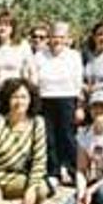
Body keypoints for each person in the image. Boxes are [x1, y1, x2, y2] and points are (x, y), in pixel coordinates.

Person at [35, 21, 84, 188]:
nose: (57, 40)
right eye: (54, 36)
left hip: (67, 98)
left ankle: (74, 171)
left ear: (66, 39)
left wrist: (79, 106)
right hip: (45, 98)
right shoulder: (40, 55)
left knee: (68, 137)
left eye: (60, 37)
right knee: (49, 137)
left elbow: (78, 82)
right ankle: (53, 172)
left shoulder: (73, 56)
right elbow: (34, 79)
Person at [0, 11, 37, 116]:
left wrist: (31, 93)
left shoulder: (22, 45)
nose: (2, 28)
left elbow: (32, 71)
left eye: (6, 25)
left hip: (15, 94)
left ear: (12, 28)